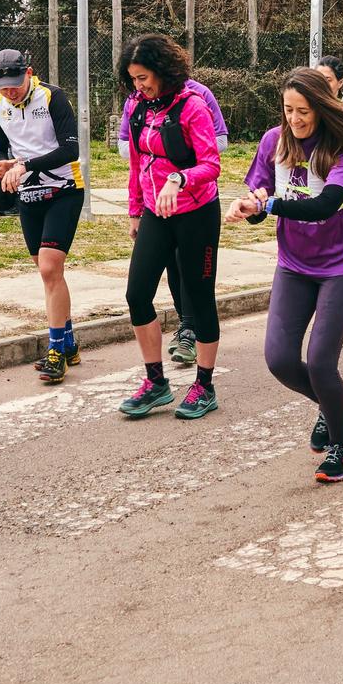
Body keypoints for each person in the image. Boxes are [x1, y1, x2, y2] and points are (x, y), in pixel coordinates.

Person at [232, 68, 343, 483]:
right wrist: (250, 206)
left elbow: (325, 205)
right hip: (294, 265)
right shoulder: (272, 142)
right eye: (288, 110)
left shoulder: (340, 146)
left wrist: (271, 205)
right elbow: (259, 198)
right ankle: (330, 409)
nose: (295, 120)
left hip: (342, 266)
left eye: (303, 111)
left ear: (320, 108)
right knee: (279, 359)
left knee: (319, 363)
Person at [116, 35, 224, 421]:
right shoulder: (136, 107)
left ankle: (204, 386)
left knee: (198, 296)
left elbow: (211, 165)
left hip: (196, 213)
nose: (139, 86)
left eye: (144, 77)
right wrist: (134, 210)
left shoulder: (192, 106)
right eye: (133, 79)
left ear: (163, 71)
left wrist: (179, 178)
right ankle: (156, 382)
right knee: (137, 294)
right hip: (154, 213)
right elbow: (135, 163)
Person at [0, 49, 86, 384]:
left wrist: (25, 164)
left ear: (29, 72)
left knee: (49, 267)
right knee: (48, 273)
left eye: (15, 84)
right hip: (27, 194)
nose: (9, 92)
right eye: (2, 86)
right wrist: (3, 164)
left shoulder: (52, 97)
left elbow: (71, 149)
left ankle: (56, 351)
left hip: (64, 190)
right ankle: (69, 342)